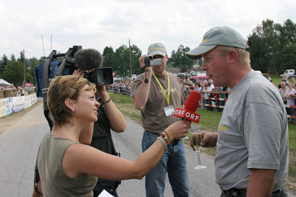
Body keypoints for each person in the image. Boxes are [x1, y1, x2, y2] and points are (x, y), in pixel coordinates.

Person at [36, 75, 191, 197]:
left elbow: (41, 187)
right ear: (70, 104)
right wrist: (167, 134)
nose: (97, 103)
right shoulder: (74, 152)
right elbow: (136, 170)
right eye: (91, 98)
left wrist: (99, 95)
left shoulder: (49, 139)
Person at [185, 26, 289, 197]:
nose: (203, 66)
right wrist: (221, 138)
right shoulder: (241, 88)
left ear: (232, 56)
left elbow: (264, 169)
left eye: (208, 59)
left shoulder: (256, 92)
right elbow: (255, 139)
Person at [131, 42, 190, 197]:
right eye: (154, 58)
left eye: (161, 57)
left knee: (183, 189)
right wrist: (148, 74)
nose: (158, 61)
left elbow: (182, 103)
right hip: (155, 139)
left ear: (166, 58)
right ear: (148, 60)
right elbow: (138, 104)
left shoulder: (174, 78)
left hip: (176, 142)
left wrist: (184, 121)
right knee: (155, 191)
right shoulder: (141, 79)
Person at [72, 68, 126, 197]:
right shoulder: (71, 103)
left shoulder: (98, 100)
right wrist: (75, 89)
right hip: (87, 174)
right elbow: (85, 140)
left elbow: (121, 127)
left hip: (106, 175)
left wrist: (103, 94)